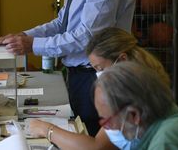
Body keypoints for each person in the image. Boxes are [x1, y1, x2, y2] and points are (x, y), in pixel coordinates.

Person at [0, 0, 135, 135]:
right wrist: (24, 35)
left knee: (97, 138)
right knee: (82, 131)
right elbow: (62, 23)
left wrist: (33, 45)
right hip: (79, 73)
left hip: (99, 75)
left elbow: (87, 37)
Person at [28, 27, 170, 150]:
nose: (99, 75)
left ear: (121, 60)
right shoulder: (145, 79)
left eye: (100, 68)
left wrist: (46, 129)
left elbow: (96, 147)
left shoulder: (132, 93)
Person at [94, 62, 178, 150]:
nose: (108, 127)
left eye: (108, 120)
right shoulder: (174, 123)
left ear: (134, 115)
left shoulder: (168, 141)